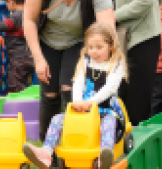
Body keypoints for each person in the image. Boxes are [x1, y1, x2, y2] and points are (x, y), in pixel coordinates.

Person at [24, 0, 115, 141]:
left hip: (78, 42)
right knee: (49, 95)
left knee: (69, 91)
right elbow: (28, 20)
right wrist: (38, 59)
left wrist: (103, 59)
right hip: (46, 40)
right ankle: (48, 150)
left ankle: (73, 144)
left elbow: (107, 29)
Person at [22, 23, 127, 169]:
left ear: (110, 46)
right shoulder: (85, 61)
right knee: (57, 119)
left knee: (108, 124)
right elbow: (78, 81)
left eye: (99, 47)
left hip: (104, 109)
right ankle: (46, 153)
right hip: (82, 109)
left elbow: (109, 89)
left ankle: (104, 157)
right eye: (90, 47)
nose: (94, 52)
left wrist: (90, 102)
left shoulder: (116, 64)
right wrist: (77, 101)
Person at [101, 0, 162, 125]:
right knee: (124, 93)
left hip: (143, 38)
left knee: (138, 97)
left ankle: (137, 141)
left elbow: (145, 0)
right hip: (126, 36)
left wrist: (113, 16)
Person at [0, 0, 35, 93]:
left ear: (11, 2)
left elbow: (2, 26)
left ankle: (24, 100)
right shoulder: (29, 13)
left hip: (19, 58)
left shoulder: (16, 16)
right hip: (30, 55)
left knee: (14, 83)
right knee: (21, 79)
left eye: (7, 3)